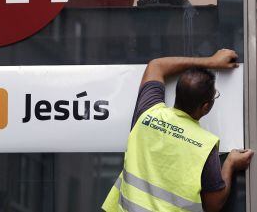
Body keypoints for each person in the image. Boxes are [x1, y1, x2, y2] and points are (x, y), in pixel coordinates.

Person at [102, 49, 254, 212]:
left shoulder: (147, 114)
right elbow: (213, 204)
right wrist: (230, 164)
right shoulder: (205, 145)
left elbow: (157, 66)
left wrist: (212, 61)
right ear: (206, 107)